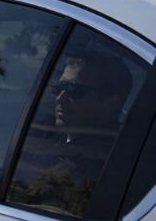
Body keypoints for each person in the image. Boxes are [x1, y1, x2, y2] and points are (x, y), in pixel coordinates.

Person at [7, 53, 132, 217]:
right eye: (57, 88)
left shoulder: (111, 164)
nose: (60, 98)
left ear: (111, 102)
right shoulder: (45, 134)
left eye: (74, 91)